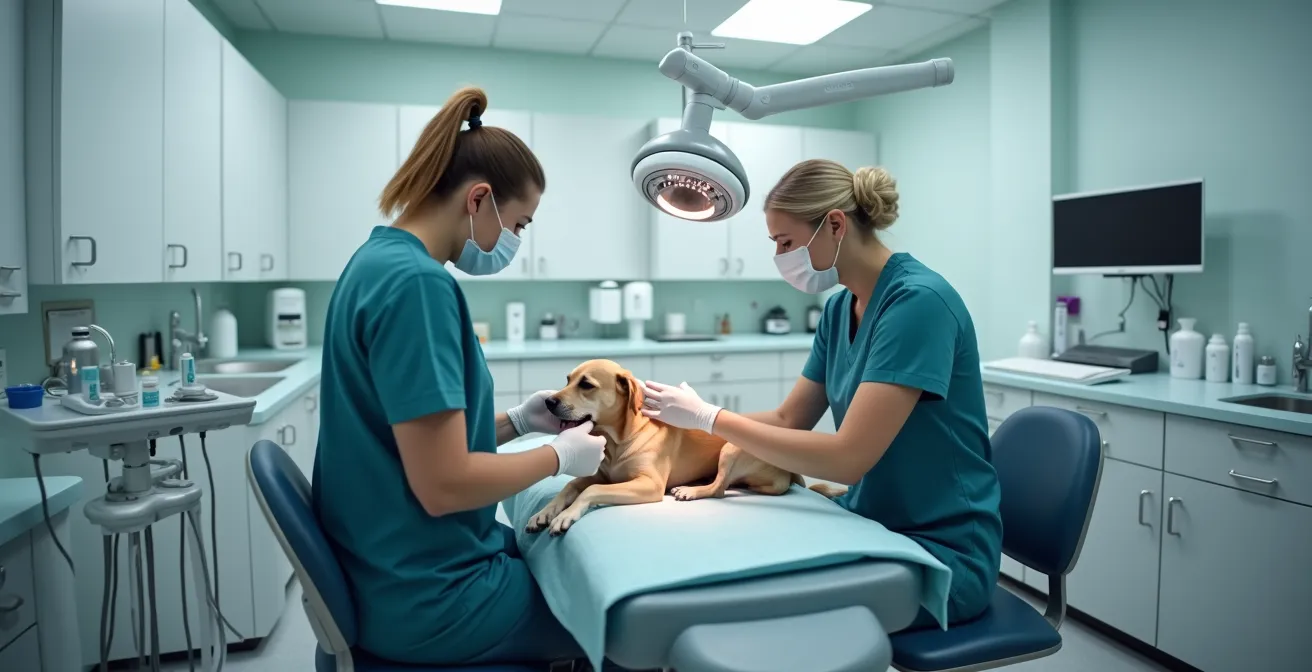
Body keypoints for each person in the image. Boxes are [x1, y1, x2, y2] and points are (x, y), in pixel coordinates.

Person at [312, 86, 606, 667]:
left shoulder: (375, 261)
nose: (514, 241)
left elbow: (411, 443)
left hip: (388, 565)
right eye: (519, 223)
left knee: (558, 557)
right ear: (479, 200)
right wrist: (559, 456)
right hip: (432, 596)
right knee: (617, 610)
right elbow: (443, 483)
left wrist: (521, 422)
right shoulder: (418, 286)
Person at [641, 159, 1003, 628]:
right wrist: (673, 426)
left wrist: (711, 418)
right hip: (870, 523)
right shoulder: (839, 309)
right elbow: (791, 420)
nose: (780, 256)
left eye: (785, 242)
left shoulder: (918, 304)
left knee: (744, 603)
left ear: (835, 224)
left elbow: (847, 458)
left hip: (940, 552)